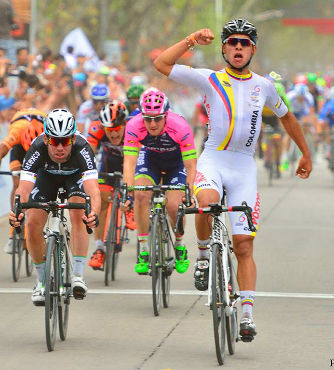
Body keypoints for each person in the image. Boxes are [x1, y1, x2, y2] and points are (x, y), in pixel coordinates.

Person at [153, 19, 312, 341]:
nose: (238, 47)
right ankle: (201, 257)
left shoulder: (264, 86)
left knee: (243, 244)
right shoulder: (210, 79)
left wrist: (305, 153)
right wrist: (191, 39)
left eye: (244, 43)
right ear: (224, 48)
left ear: (253, 49)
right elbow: (162, 63)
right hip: (213, 158)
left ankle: (248, 314)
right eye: (232, 42)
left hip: (243, 167)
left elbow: (287, 117)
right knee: (207, 203)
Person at [9, 108, 101, 305]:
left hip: (74, 179)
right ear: (47, 139)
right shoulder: (37, 147)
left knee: (79, 211)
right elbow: (23, 188)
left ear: (73, 140)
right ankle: (41, 281)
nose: (60, 147)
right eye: (54, 141)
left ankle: (77, 275)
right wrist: (17, 211)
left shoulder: (83, 148)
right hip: (46, 177)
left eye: (65, 141)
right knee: (32, 222)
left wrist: (94, 212)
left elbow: (93, 190)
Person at [123, 87, 197, 275]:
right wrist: (127, 191)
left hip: (176, 163)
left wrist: (190, 192)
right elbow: (129, 162)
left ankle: (179, 246)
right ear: (142, 116)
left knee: (173, 205)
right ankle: (144, 251)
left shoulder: (179, 126)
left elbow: (191, 166)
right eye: (148, 118)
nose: (153, 123)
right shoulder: (133, 125)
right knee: (140, 194)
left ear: (166, 114)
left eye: (157, 118)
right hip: (150, 160)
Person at [0, 108, 47, 253]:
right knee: (17, 183)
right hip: (19, 148)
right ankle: (13, 231)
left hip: (42, 148)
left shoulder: (47, 135)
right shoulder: (17, 131)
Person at [87, 100, 136, 270]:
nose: (113, 135)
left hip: (133, 160)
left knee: (138, 180)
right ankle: (99, 248)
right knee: (101, 198)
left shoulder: (134, 127)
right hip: (110, 161)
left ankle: (131, 208)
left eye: (116, 130)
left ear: (124, 124)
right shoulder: (96, 129)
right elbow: (88, 156)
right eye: (109, 130)